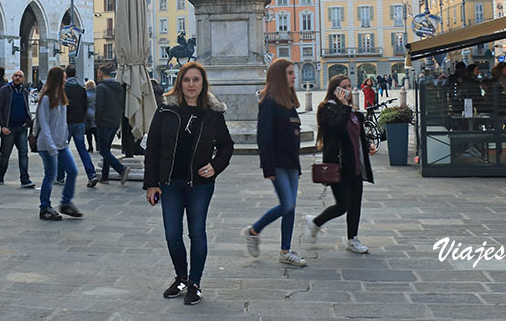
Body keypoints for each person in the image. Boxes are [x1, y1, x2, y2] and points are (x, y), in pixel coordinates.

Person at [144, 61, 234, 305]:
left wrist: (215, 166)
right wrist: (151, 183)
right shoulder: (166, 110)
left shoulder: (212, 113)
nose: (191, 84)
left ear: (203, 83)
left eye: (196, 80)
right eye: (186, 80)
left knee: (197, 232)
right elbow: (152, 147)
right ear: (179, 83)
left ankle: (195, 282)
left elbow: (227, 146)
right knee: (172, 233)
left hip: (200, 185)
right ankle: (181, 277)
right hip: (170, 182)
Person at [243, 59, 306, 267]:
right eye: (290, 73)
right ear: (279, 76)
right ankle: (254, 231)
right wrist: (267, 166)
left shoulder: (287, 101)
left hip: (291, 163)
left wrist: (297, 166)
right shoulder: (269, 101)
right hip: (278, 163)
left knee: (291, 206)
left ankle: (285, 250)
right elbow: (264, 137)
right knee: (287, 204)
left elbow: (293, 134)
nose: (294, 77)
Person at [305, 74, 376, 254]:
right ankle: (315, 222)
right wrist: (343, 106)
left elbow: (358, 136)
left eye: (350, 86)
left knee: (356, 204)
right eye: (343, 87)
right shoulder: (327, 109)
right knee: (343, 204)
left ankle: (353, 239)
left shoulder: (352, 112)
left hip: (356, 164)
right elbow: (335, 129)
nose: (348, 90)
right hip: (339, 164)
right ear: (335, 89)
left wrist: (368, 145)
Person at [35, 67, 82, 220]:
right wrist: (51, 146)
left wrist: (64, 138)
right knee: (50, 175)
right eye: (62, 78)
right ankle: (45, 207)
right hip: (48, 144)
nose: (65, 80)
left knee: (73, 171)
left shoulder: (61, 96)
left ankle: (66, 203)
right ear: (56, 79)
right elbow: (44, 124)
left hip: (61, 143)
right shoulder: (46, 98)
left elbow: (62, 123)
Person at [0, 70, 35, 187]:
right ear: (12, 77)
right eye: (16, 76)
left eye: (20, 76)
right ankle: (0, 175)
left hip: (21, 128)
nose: (18, 78)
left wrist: (28, 121)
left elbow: (26, 107)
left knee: (23, 153)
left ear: (23, 79)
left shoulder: (24, 91)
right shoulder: (5, 90)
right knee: (5, 155)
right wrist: (2, 125)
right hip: (9, 128)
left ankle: (25, 179)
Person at [59, 65, 98, 188]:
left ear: (66, 75)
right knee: (82, 149)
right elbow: (85, 106)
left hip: (67, 123)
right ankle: (91, 174)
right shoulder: (82, 89)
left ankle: (60, 176)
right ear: (75, 74)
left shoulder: (64, 89)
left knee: (62, 149)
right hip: (80, 123)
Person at [94, 65, 131, 184]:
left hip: (104, 122)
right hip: (115, 121)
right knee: (107, 149)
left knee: (103, 151)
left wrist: (97, 121)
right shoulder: (119, 87)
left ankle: (121, 169)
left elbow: (99, 107)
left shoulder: (101, 87)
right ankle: (105, 176)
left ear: (100, 73)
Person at [84, 79, 97, 153]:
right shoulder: (97, 93)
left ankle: (90, 147)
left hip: (87, 114)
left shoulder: (86, 94)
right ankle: (98, 146)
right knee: (96, 132)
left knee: (88, 132)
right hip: (95, 114)